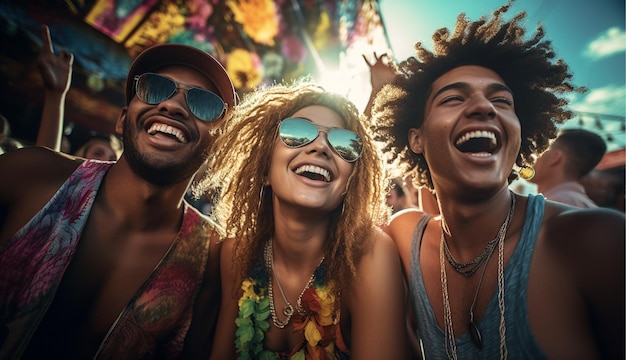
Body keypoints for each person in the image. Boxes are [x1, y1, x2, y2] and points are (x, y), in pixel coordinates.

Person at [370, 3, 625, 359]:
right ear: (416, 139)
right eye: (454, 98)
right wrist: (379, 95)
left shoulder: (595, 240)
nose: (484, 107)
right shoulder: (404, 237)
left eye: (502, 100)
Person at [0, 42, 237, 359]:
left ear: (217, 148)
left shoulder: (211, 259)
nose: (173, 106)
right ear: (123, 119)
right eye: (156, 88)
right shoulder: (31, 175)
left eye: (204, 104)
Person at [197, 81, 409, 359]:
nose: (321, 147)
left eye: (343, 143)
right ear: (264, 170)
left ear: (349, 183)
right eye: (297, 132)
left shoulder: (368, 255)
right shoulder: (235, 254)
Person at [529, 128, 607, 208]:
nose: (529, 157)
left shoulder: (553, 205)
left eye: (539, 150)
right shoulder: (586, 206)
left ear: (555, 157)